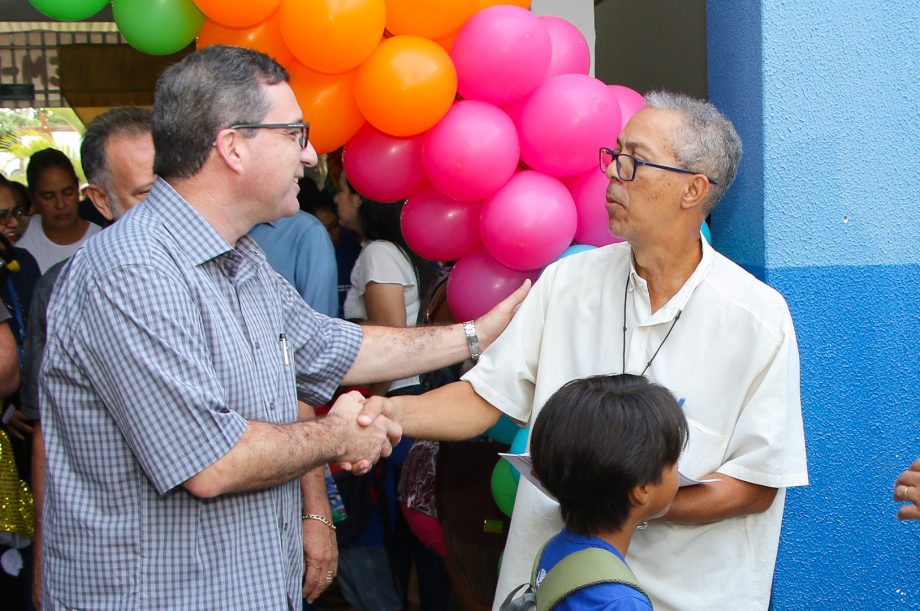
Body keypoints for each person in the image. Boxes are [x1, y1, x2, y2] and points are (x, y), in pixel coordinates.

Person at [38, 45, 526, 610]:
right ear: (233, 147)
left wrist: (476, 334)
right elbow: (211, 462)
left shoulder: (240, 258)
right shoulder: (132, 272)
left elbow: (332, 348)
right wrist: (341, 435)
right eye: (295, 133)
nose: (310, 154)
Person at [388, 91, 808, 610]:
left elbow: (758, 484)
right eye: (613, 156)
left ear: (693, 190)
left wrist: (620, 504)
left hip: (686, 596)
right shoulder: (567, 282)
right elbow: (483, 397)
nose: (612, 174)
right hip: (555, 590)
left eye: (634, 161)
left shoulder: (757, 317)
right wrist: (384, 414)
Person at [523, 374, 688, 610]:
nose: (678, 470)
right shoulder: (622, 603)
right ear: (642, 489)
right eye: (673, 461)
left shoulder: (553, 550)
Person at [17, 149, 102, 273]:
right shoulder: (20, 237)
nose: (60, 205)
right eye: (48, 196)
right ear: (32, 197)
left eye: (68, 193)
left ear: (77, 188)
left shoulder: (100, 240)